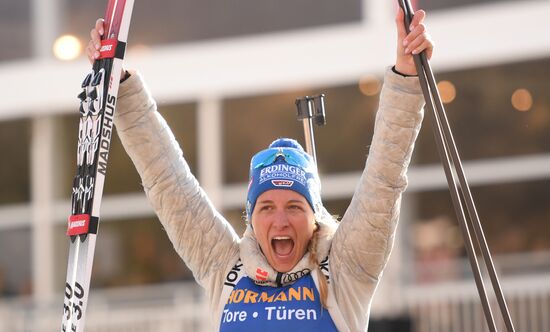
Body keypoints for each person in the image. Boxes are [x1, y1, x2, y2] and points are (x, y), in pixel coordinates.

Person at [86, 6, 433, 331]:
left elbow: (383, 179)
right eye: (267, 207)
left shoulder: (345, 268)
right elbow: (166, 179)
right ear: (251, 218)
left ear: (314, 218)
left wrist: (406, 76)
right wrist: (123, 86)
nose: (280, 221)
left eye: (294, 206)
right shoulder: (226, 266)